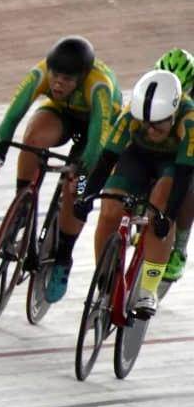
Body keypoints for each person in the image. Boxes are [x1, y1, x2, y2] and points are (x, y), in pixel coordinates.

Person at [0, 35, 122, 303]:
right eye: (55, 76)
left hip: (98, 128)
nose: (58, 83)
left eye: (67, 79)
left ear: (81, 78)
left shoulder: (99, 87)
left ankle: (63, 258)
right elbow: (13, 115)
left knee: (76, 188)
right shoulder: (41, 73)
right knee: (33, 139)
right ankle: (22, 207)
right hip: (63, 113)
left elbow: (97, 143)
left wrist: (83, 176)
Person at [74, 69, 194, 315]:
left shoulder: (189, 120)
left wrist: (168, 217)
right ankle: (104, 279)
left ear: (173, 113)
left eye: (158, 124)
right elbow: (106, 160)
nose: (150, 130)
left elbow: (183, 177)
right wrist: (84, 194)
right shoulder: (130, 114)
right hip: (137, 157)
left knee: (160, 210)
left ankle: (148, 290)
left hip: (173, 164)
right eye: (145, 123)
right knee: (110, 207)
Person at [153, 48, 194, 284]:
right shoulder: (153, 84)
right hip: (164, 138)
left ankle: (180, 248)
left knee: (188, 185)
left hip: (189, 142)